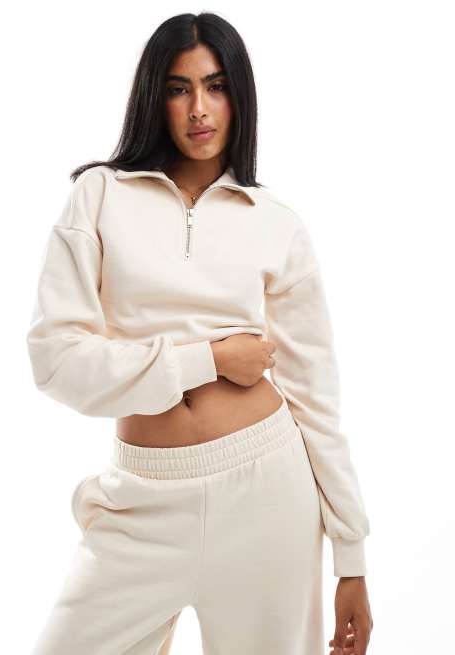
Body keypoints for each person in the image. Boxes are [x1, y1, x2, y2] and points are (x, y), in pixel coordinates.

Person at [25, 11, 373, 655]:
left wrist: (351, 557)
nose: (199, 110)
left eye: (216, 87)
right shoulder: (99, 196)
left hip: (267, 492)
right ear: (153, 98)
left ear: (240, 96)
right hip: (141, 498)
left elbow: (316, 401)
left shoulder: (276, 222)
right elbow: (56, 361)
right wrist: (208, 359)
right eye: (178, 89)